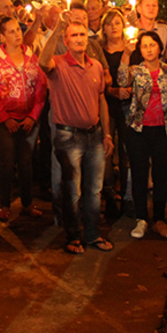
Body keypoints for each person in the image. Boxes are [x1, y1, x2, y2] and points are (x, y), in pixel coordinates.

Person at [39, 16, 115, 255]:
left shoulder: (94, 66)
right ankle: (73, 237)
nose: (79, 39)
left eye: (82, 35)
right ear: (66, 40)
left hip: (95, 137)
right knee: (73, 191)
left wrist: (108, 134)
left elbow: (101, 100)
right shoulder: (58, 64)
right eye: (74, 35)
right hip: (68, 138)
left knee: (94, 191)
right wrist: (59, 26)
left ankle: (92, 234)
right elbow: (42, 61)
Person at [118, 31, 167, 239]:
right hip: (138, 130)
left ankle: (160, 219)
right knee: (139, 174)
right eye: (144, 46)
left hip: (163, 130)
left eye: (152, 45)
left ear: (160, 48)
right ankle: (141, 218)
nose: (148, 49)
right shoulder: (135, 71)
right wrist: (126, 55)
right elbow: (121, 80)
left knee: (161, 176)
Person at [0, 16, 47, 221]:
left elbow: (40, 88)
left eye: (18, 30)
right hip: (3, 121)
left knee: (26, 161)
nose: (16, 35)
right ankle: (4, 204)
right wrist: (4, 118)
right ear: (2, 36)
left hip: (29, 118)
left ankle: (27, 203)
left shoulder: (32, 58)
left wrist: (33, 116)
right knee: (7, 160)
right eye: (10, 32)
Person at [99, 9, 134, 215]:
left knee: (127, 151)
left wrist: (129, 90)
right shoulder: (99, 51)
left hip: (128, 105)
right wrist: (111, 90)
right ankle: (110, 193)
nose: (114, 27)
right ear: (104, 28)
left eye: (118, 23)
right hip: (106, 104)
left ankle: (127, 195)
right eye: (110, 23)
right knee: (107, 150)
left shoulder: (132, 50)